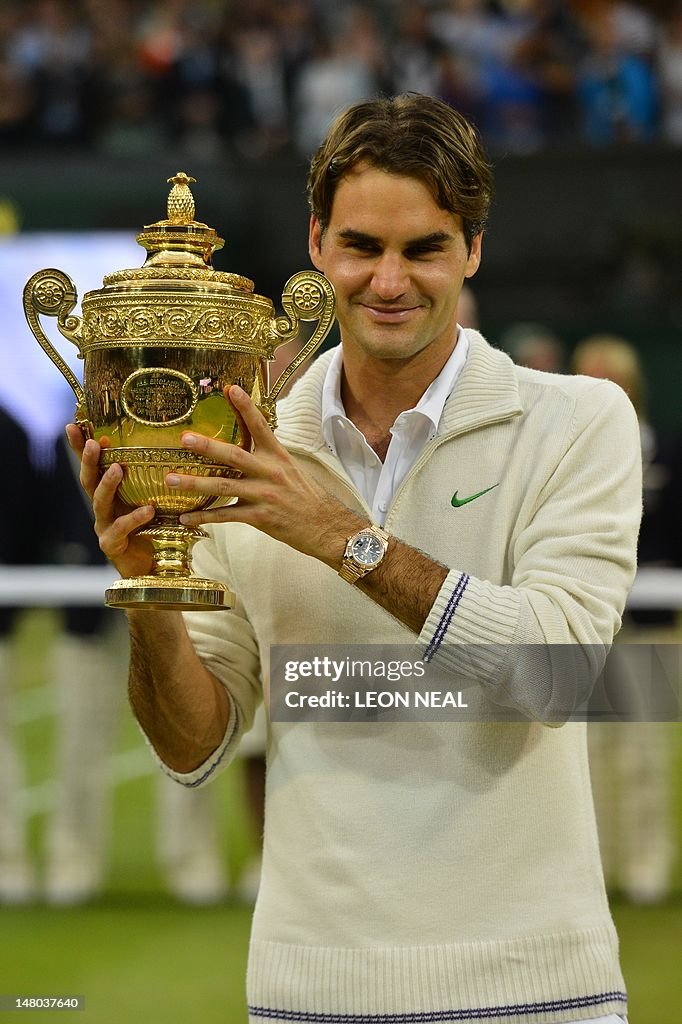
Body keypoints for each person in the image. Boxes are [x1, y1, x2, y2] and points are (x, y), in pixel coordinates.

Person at [68, 94, 641, 1024]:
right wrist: (152, 594)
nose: (388, 280)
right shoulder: (238, 441)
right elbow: (191, 746)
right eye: (361, 245)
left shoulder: (576, 420)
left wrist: (338, 535)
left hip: (540, 993)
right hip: (308, 995)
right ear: (316, 244)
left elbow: (559, 676)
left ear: (474, 251)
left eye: (424, 249)